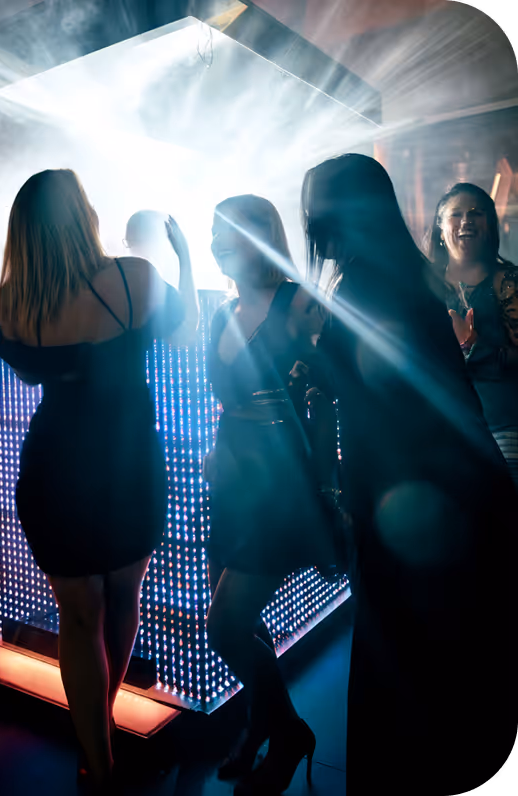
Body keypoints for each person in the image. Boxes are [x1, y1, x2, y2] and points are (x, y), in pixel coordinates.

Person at [301, 154, 515, 796]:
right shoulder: (408, 276)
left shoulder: (364, 284)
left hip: (412, 496)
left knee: (406, 659)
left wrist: (308, 354)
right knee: (451, 654)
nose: (310, 220)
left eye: (317, 205)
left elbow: (375, 389)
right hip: (452, 485)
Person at [0, 169, 198, 793]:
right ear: (83, 215)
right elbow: (184, 334)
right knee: (122, 597)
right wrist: (184, 260)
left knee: (78, 615)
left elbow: (30, 376)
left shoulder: (17, 302)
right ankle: (97, 734)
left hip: (56, 467)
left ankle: (97, 757)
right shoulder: (134, 278)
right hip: (130, 462)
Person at [204, 194, 331, 796]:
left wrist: (334, 487)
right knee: (239, 622)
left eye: (225, 232)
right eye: (210, 234)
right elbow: (227, 400)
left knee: (225, 626)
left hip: (280, 485)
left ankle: (287, 733)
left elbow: (332, 397)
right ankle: (263, 721)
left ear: (260, 239)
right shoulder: (219, 312)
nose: (214, 242)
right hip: (229, 483)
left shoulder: (298, 301)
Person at [427, 182, 518, 488]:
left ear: (489, 225)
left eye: (476, 213)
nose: (466, 220)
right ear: (441, 229)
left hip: (504, 428)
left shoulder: (507, 281)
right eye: (456, 214)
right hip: (442, 432)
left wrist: (475, 346)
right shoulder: (422, 286)